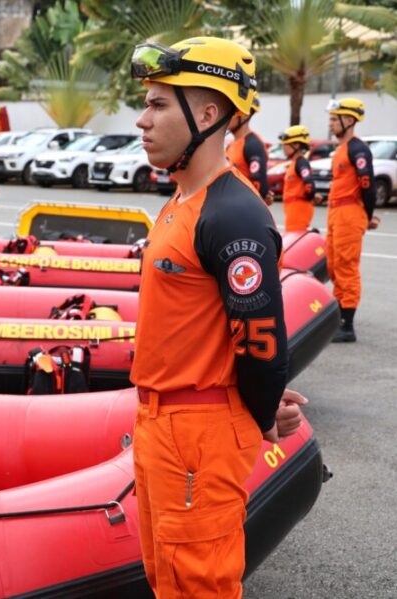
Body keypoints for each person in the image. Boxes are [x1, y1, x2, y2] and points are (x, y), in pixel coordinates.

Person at [129, 37, 307, 598]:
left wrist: (255, 412)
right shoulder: (183, 198)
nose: (142, 119)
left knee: (198, 587)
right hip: (160, 425)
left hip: (197, 439)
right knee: (166, 580)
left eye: (159, 104)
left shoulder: (233, 214)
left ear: (208, 114)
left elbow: (261, 343)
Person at [325, 98, 379, 343]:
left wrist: (367, 215)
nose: (331, 123)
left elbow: (368, 185)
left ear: (349, 120)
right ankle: (340, 314)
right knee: (333, 264)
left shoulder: (358, 149)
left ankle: (347, 324)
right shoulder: (341, 149)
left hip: (349, 212)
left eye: (335, 119)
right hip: (336, 212)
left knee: (346, 266)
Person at [225, 93, 271, 204]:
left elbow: (260, 187)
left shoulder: (253, 144)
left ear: (245, 114)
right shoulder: (231, 145)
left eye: (232, 111)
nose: (226, 115)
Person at [278, 125, 317, 232]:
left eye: (286, 144)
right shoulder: (295, 163)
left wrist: (310, 196)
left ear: (296, 144)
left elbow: (308, 181)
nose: (283, 147)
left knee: (294, 238)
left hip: (298, 209)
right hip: (293, 209)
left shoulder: (301, 162)